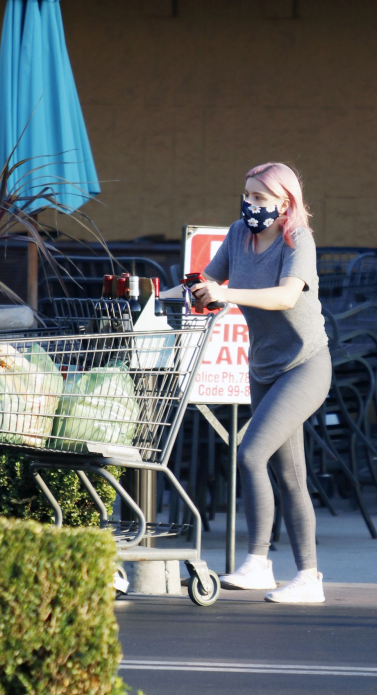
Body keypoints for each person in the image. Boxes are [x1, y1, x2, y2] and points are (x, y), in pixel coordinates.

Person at [163, 162, 331, 603]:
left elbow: (286, 296)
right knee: (289, 476)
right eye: (247, 195)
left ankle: (258, 563)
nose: (250, 205)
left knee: (251, 452)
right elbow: (211, 279)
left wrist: (227, 294)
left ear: (284, 202)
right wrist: (176, 292)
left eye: (260, 198)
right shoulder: (239, 233)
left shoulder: (299, 240)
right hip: (264, 368)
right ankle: (309, 579)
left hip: (305, 365)